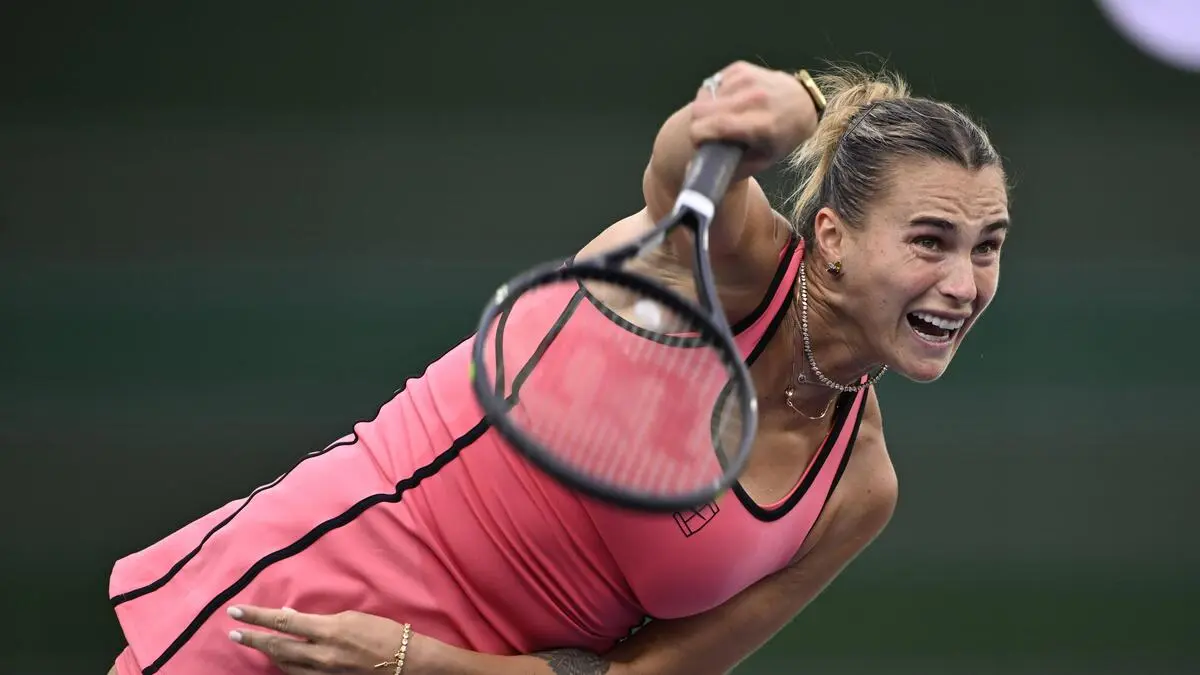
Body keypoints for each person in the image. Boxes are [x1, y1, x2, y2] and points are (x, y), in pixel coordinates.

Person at [106, 59, 1010, 675]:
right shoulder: (733, 264)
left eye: (988, 246)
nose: (964, 284)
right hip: (314, 599)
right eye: (930, 241)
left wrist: (414, 662)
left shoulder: (859, 490)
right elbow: (682, 165)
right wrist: (785, 104)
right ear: (833, 238)